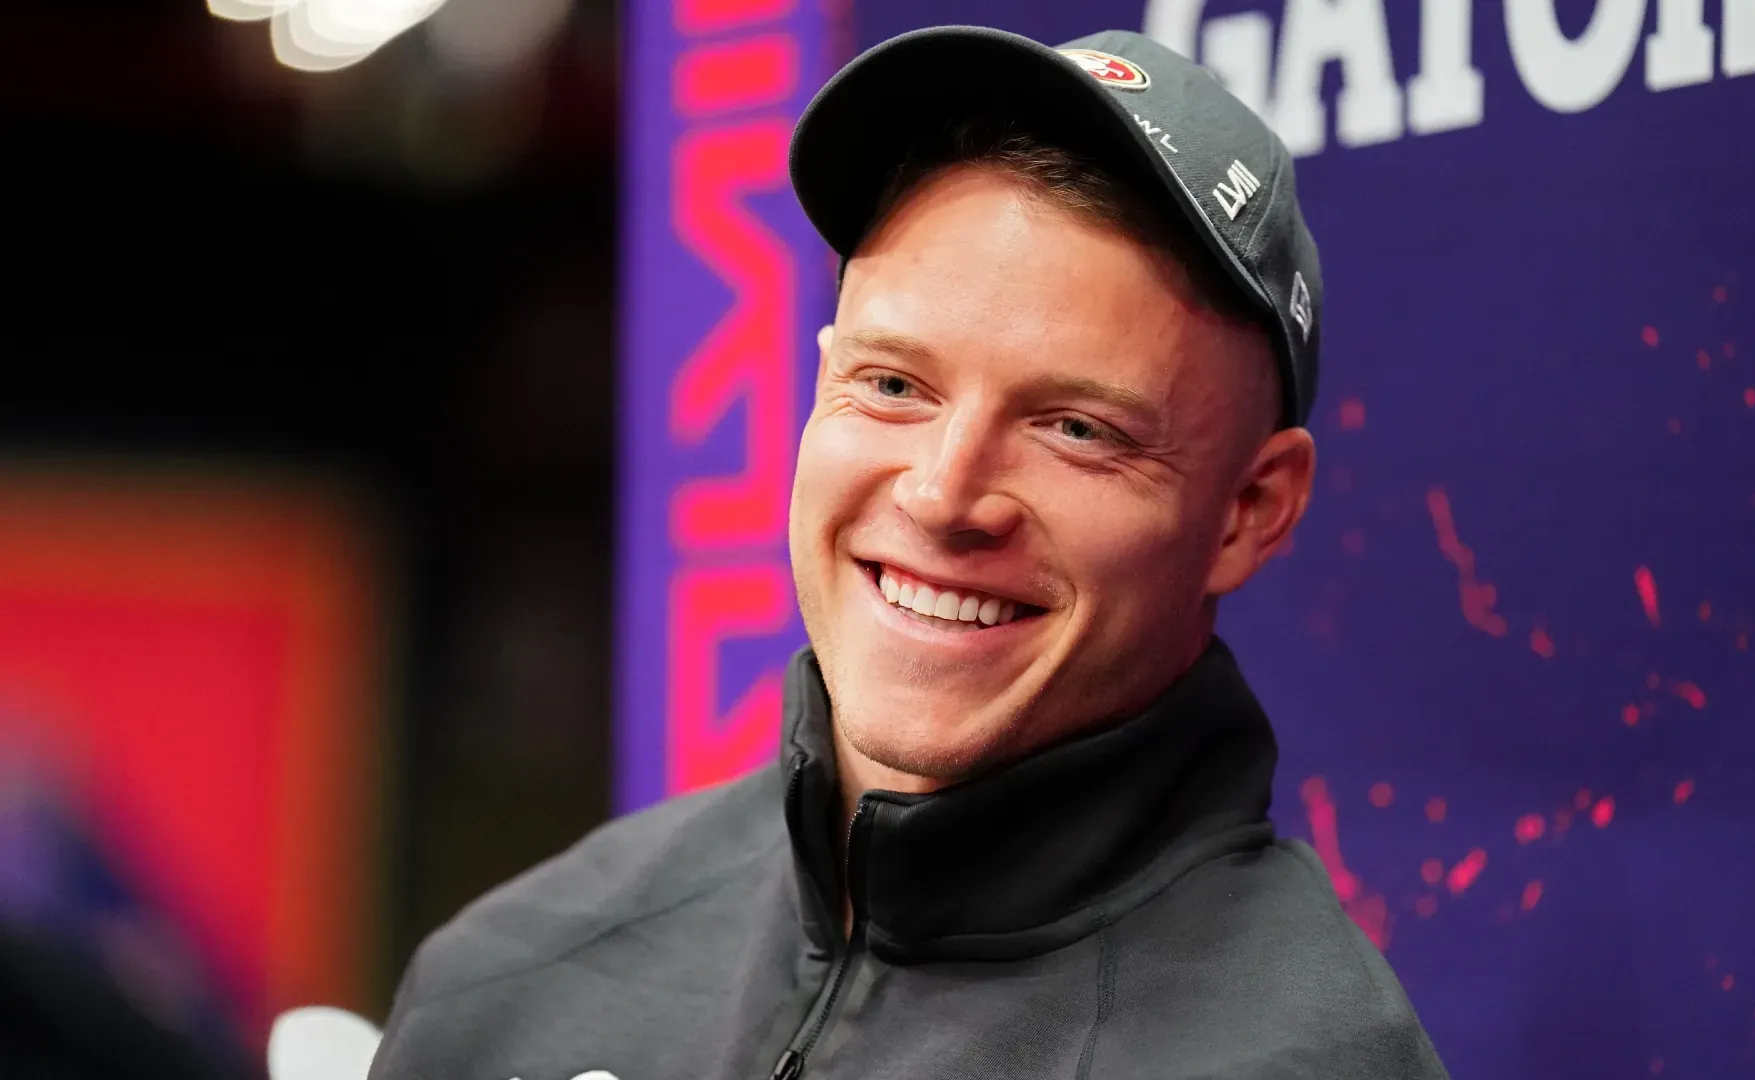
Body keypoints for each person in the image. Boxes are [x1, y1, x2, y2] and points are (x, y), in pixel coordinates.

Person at [369, 25, 1448, 1080]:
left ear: (1249, 511)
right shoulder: (510, 983)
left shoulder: (1306, 1060)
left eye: (1075, 427)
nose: (942, 495)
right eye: (894, 385)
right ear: (823, 374)